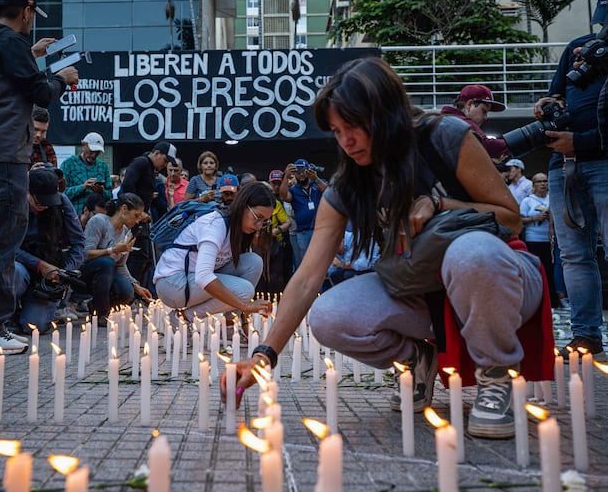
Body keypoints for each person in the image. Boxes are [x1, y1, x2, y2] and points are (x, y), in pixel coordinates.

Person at [224, 58, 545, 440]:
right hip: (423, 291)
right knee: (329, 315)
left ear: (387, 113)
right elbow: (307, 278)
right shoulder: (349, 185)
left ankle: (495, 376)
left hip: (498, 279)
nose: (346, 141)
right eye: (337, 130)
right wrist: (264, 355)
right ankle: (414, 361)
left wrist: (439, 205)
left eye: (354, 126)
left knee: (469, 252)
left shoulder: (445, 136)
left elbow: (509, 218)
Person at [0, 0, 78, 355]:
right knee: (1, 243)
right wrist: (61, 77)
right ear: (27, 10)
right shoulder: (10, 44)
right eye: (32, 14)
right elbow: (40, 92)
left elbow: (5, 79)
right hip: (3, 154)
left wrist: (32, 54)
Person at [535, 0, 608, 354]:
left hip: (600, 161)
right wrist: (547, 104)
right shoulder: (578, 47)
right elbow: (557, 93)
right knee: (574, 256)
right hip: (564, 164)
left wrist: (579, 142)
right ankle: (586, 336)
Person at [154, 181, 274, 319]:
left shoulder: (239, 231)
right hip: (172, 284)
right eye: (257, 217)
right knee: (245, 290)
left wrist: (243, 315)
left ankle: (230, 323)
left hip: (191, 280)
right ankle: (183, 317)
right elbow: (203, 276)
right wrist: (245, 306)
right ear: (243, 206)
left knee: (254, 262)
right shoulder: (216, 225)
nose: (259, 226)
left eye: (264, 221)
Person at [13, 168, 85, 334]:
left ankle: (32, 310)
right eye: (39, 202)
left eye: (48, 202)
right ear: (27, 191)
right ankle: (8, 315)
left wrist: (65, 270)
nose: (44, 206)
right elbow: (7, 248)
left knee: (35, 327)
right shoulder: (14, 202)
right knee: (15, 272)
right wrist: (39, 265)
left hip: (50, 274)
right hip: (21, 265)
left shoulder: (62, 202)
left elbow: (79, 243)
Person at [80, 193, 152, 326]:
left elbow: (121, 266)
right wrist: (112, 250)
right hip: (87, 272)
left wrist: (136, 285)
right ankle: (101, 313)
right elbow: (85, 254)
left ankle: (95, 305)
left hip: (109, 273)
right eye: (136, 216)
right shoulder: (99, 221)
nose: (137, 221)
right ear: (124, 209)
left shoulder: (127, 232)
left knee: (127, 292)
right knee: (107, 262)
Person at [121, 141, 178, 288]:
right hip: (131, 218)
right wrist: (137, 212)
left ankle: (132, 291)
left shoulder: (150, 168)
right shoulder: (141, 162)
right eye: (165, 160)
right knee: (134, 256)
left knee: (142, 256)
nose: (165, 165)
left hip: (139, 219)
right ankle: (129, 291)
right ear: (157, 153)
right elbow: (127, 186)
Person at [440, 84, 510, 162]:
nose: (485, 117)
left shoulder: (446, 120)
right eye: (484, 111)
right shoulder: (460, 121)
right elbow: (486, 145)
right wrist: (522, 141)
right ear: (469, 104)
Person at [279, 158, 327, 266]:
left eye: (303, 171)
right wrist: (286, 176)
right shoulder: (293, 190)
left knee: (321, 262)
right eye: (298, 172)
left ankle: (322, 283)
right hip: (303, 232)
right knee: (306, 263)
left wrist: (316, 178)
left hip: (319, 230)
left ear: (308, 171)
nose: (301, 175)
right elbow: (283, 196)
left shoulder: (316, 185)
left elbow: (329, 192)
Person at [520, 173, 558, 308]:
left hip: (549, 239)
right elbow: (519, 220)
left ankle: (551, 300)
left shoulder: (551, 199)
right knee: (535, 269)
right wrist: (534, 219)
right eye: (539, 182)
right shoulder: (528, 201)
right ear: (533, 185)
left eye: (545, 181)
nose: (543, 184)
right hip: (533, 239)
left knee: (549, 270)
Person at [60, 131, 112, 213]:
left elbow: (110, 196)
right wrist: (82, 187)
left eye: (97, 152)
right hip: (74, 215)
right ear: (83, 145)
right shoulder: (68, 164)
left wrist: (101, 191)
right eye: (91, 151)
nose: (94, 155)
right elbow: (61, 193)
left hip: (97, 216)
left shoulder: (103, 167)